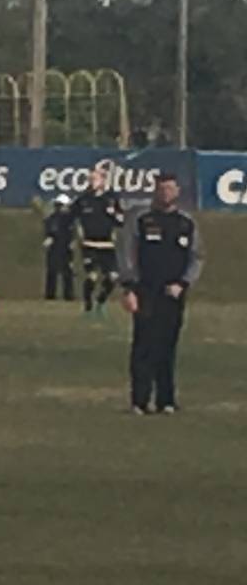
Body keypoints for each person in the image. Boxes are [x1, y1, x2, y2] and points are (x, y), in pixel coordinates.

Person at [121, 170, 200, 414]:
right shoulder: (142, 219)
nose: (166, 193)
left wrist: (183, 283)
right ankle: (140, 401)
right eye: (162, 188)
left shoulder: (185, 223)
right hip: (146, 292)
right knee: (143, 346)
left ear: (177, 191)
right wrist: (129, 288)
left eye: (170, 188)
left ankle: (166, 400)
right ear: (155, 190)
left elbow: (196, 257)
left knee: (167, 346)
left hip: (173, 294)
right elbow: (128, 253)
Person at [74, 168, 124, 314]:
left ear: (103, 181)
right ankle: (88, 306)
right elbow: (72, 217)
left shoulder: (111, 198)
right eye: (90, 179)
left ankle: (101, 302)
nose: (92, 182)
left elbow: (121, 221)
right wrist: (79, 233)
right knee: (92, 276)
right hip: (89, 244)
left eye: (95, 179)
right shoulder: (84, 199)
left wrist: (113, 213)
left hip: (107, 244)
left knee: (113, 277)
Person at [42, 194, 77, 301]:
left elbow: (73, 233)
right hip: (55, 248)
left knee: (67, 272)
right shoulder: (52, 219)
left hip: (65, 248)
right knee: (53, 271)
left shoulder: (69, 219)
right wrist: (49, 238)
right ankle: (51, 295)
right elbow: (49, 232)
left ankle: (67, 295)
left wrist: (72, 242)